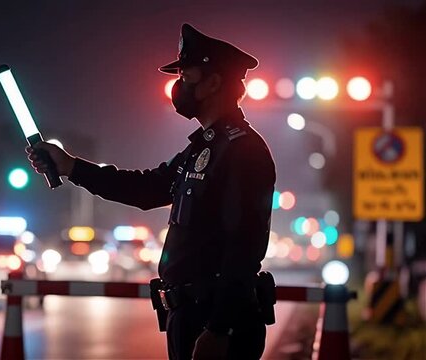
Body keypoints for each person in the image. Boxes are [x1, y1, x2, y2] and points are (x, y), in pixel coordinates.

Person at [26, 23, 276, 360]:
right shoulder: (202, 149)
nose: (179, 84)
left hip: (216, 322)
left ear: (214, 82)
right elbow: (146, 188)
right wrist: (71, 166)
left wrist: (219, 330)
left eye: (187, 75)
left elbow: (243, 249)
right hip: (188, 315)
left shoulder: (243, 150)